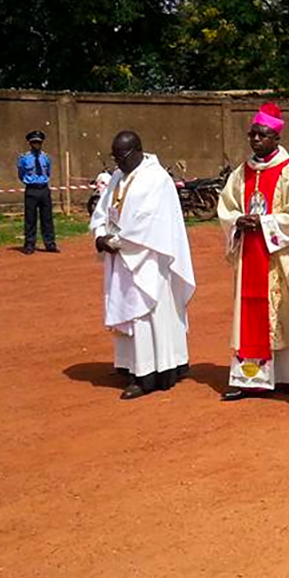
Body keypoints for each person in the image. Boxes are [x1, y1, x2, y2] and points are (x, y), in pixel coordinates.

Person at [216, 103, 289, 400]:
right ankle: (253, 379)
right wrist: (238, 220)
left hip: (282, 258)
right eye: (252, 135)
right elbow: (227, 207)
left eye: (261, 135)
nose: (255, 140)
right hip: (251, 256)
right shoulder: (240, 173)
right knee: (253, 313)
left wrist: (263, 223)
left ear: (276, 138)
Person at [90, 131, 194, 399]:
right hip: (121, 255)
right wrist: (100, 235)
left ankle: (148, 374)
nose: (117, 162)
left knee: (144, 311)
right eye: (113, 156)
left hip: (148, 259)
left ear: (137, 151)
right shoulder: (117, 177)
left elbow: (149, 223)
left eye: (120, 156)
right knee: (126, 306)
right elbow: (102, 211)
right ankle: (131, 364)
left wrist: (117, 241)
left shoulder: (156, 179)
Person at [17, 129, 59, 254]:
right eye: (34, 143)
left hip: (44, 188)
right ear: (30, 143)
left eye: (39, 143)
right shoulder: (24, 158)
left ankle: (50, 243)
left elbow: (48, 172)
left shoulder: (45, 157)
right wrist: (29, 181)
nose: (37, 145)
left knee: (47, 218)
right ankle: (29, 244)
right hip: (31, 189)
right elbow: (21, 174)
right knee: (30, 218)